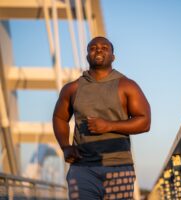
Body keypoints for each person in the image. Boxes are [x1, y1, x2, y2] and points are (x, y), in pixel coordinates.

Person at [52, 36, 151, 200]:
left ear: (113, 57)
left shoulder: (127, 85)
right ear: (87, 56)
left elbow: (145, 121)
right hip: (82, 168)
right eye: (93, 47)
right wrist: (65, 146)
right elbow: (59, 117)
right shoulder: (72, 88)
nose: (98, 49)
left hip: (119, 166)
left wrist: (109, 126)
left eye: (105, 48)